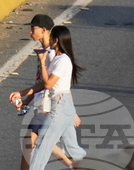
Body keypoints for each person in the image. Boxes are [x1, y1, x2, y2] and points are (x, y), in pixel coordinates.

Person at [16, 25, 86, 170]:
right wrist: (21, 94)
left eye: (51, 38)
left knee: (42, 145)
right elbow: (42, 84)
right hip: (63, 105)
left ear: (56, 40)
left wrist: (42, 62)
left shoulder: (62, 61)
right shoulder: (57, 58)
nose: (49, 40)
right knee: (72, 149)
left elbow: (47, 84)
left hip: (60, 107)